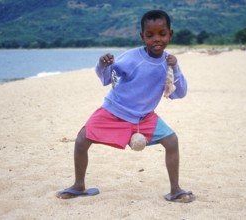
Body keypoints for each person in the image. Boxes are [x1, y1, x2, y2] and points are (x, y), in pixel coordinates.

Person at [57, 9, 195, 203]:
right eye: (150, 35)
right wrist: (103, 65)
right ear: (142, 36)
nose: (157, 39)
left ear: (170, 35)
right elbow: (107, 79)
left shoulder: (169, 63)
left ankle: (175, 190)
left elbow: (179, 93)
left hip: (144, 117)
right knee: (81, 140)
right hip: (114, 111)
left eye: (162, 34)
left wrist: (177, 67)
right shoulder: (131, 58)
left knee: (172, 141)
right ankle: (79, 185)